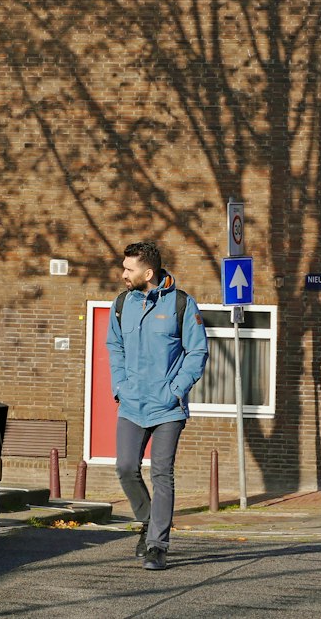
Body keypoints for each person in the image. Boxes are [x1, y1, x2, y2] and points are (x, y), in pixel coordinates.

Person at [106, 240, 208, 571]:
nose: (123, 274)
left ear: (147, 272)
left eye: (128, 269)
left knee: (162, 472)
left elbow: (197, 352)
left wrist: (176, 390)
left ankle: (157, 545)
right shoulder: (122, 304)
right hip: (132, 403)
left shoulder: (182, 304)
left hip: (167, 408)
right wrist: (120, 385)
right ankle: (148, 522)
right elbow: (115, 345)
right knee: (125, 467)